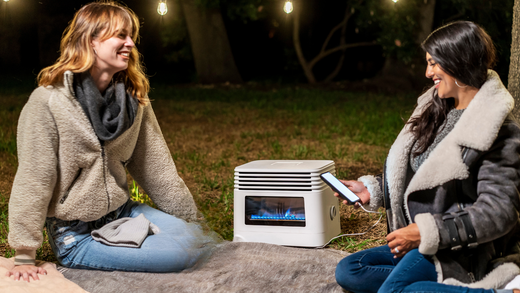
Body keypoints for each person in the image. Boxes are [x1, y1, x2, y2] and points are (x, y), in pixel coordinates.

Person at [6, 1, 218, 282]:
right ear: (90, 41)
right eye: (120, 35)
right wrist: (24, 256)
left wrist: (193, 224)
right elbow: (34, 179)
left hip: (123, 213)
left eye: (131, 36)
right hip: (75, 233)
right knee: (179, 254)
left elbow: (158, 170)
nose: (130, 43)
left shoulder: (134, 99)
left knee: (197, 241)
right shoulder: (48, 102)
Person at [334, 21, 520, 293]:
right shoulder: (437, 110)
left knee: (395, 290)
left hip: (464, 251)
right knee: (350, 270)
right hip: (426, 244)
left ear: (458, 61)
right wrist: (373, 189)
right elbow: (422, 176)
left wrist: (428, 231)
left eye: (434, 64)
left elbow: (499, 211)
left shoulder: (499, 131)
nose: (427, 72)